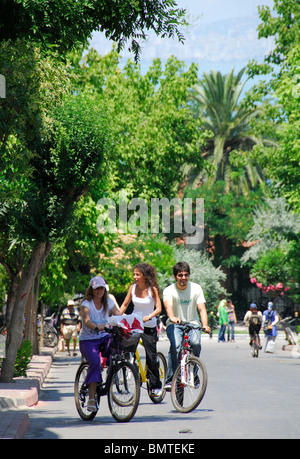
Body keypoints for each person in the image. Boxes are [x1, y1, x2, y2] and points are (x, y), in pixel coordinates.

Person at [163, 261, 211, 389]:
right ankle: (170, 379)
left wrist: (205, 325)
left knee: (195, 344)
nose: (183, 278)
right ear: (175, 276)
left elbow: (202, 309)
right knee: (176, 346)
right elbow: (168, 306)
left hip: (193, 324)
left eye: (186, 275)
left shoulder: (196, 288)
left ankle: (193, 373)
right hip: (175, 324)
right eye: (180, 275)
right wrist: (172, 317)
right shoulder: (169, 290)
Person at [79, 275, 122, 412]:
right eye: (97, 288)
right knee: (95, 363)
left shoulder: (108, 302)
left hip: (104, 337)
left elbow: (118, 315)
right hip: (88, 340)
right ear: (91, 289)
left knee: (116, 353)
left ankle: (110, 381)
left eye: (102, 288)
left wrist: (126, 323)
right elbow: (86, 321)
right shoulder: (86, 304)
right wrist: (98, 327)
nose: (99, 291)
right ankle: (92, 397)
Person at [120, 263, 163, 397]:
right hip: (135, 324)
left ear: (144, 276)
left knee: (151, 355)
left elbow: (159, 308)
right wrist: (117, 317)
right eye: (134, 274)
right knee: (126, 348)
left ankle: (155, 385)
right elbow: (125, 305)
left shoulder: (152, 290)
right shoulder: (132, 288)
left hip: (149, 326)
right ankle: (132, 369)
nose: (134, 277)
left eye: (137, 274)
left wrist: (149, 316)